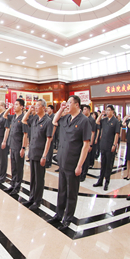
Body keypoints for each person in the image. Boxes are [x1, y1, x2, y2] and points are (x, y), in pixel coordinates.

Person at [48, 96, 91, 230]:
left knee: (71, 192)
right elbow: (54, 121)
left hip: (73, 162)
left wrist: (79, 165)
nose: (67, 104)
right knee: (62, 190)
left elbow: (86, 145)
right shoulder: (66, 118)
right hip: (62, 160)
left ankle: (68, 218)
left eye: (69, 103)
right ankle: (59, 214)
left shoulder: (84, 121)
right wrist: (61, 109)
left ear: (77, 105)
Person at [22, 100, 53, 210]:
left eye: (38, 106)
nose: (35, 107)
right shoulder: (35, 118)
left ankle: (37, 201)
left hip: (40, 154)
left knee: (39, 179)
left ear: (44, 107)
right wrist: (29, 110)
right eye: (35, 106)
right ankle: (31, 198)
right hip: (33, 152)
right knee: (33, 177)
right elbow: (24, 120)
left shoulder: (48, 121)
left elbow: (48, 140)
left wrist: (44, 156)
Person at [93, 105, 120, 191]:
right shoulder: (104, 120)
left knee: (108, 165)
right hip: (103, 145)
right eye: (106, 110)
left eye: (109, 110)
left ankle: (107, 182)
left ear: (112, 111)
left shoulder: (116, 121)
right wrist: (101, 114)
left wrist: (114, 145)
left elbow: (117, 134)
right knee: (103, 164)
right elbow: (97, 122)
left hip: (110, 146)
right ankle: (100, 181)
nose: (107, 112)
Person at [6, 99, 27, 195]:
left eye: (16, 104)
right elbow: (5, 115)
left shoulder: (23, 118)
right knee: (13, 167)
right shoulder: (14, 117)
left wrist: (23, 148)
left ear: (22, 107)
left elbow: (25, 134)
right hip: (12, 145)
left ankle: (17, 186)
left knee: (19, 168)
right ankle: (13, 184)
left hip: (19, 146)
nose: (14, 106)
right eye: (14, 104)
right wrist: (9, 108)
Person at [80, 105, 96, 182]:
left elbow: (93, 133)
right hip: (82, 141)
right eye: (83, 109)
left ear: (89, 110)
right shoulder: (83, 118)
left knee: (86, 159)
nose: (83, 111)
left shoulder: (91, 120)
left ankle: (84, 174)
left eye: (85, 109)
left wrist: (90, 144)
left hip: (88, 141)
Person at [46, 105, 56, 169]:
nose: (47, 110)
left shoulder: (53, 116)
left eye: (49, 108)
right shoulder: (47, 116)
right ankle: (46, 160)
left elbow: (54, 126)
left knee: (50, 149)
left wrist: (52, 135)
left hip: (51, 134)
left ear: (52, 110)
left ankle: (49, 162)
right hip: (47, 134)